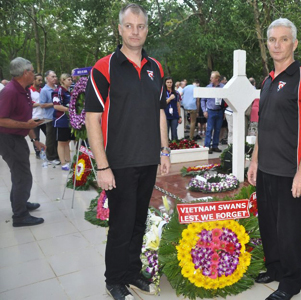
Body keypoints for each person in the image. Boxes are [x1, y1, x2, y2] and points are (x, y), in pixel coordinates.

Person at [84, 4, 170, 300]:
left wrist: (165, 150)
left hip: (148, 158)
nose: (136, 32)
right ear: (119, 29)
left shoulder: (156, 68)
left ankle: (133, 270)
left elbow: (161, 112)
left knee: (138, 220)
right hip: (117, 161)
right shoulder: (104, 67)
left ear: (147, 29)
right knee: (121, 223)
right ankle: (115, 279)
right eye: (129, 26)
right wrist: (103, 166)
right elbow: (92, 119)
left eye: (141, 26)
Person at [247, 18, 301, 300]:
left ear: (295, 43)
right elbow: (263, 126)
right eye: (272, 40)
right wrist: (254, 161)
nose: (277, 45)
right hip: (266, 169)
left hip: (292, 171)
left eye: (283, 39)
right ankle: (275, 268)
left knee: (290, 230)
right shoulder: (267, 81)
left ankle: (291, 282)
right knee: (269, 224)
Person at [0, 57, 46, 227]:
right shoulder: (10, 91)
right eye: (32, 70)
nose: (34, 74)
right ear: (25, 72)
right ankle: (20, 216)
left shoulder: (24, 90)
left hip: (18, 137)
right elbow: (1, 119)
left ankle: (20, 202)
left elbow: (26, 119)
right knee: (22, 176)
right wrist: (25, 125)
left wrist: (35, 140)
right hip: (7, 138)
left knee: (20, 174)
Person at [52, 73, 74, 170]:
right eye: (68, 79)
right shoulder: (58, 91)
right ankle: (63, 163)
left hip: (70, 120)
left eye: (71, 79)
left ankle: (68, 160)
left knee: (67, 141)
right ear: (63, 81)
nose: (70, 81)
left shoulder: (71, 91)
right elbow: (56, 105)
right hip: (61, 119)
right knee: (61, 142)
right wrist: (69, 110)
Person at [201, 71, 224, 154]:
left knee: (217, 129)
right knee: (209, 129)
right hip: (210, 111)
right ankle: (207, 146)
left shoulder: (223, 87)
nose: (211, 79)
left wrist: (224, 111)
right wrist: (204, 110)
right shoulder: (208, 87)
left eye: (212, 77)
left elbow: (226, 100)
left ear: (217, 79)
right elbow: (203, 100)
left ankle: (215, 146)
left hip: (220, 110)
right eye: (211, 77)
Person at [40, 70, 60, 164]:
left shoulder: (57, 88)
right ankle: (51, 157)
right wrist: (54, 103)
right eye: (52, 76)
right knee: (51, 138)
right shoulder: (44, 90)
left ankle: (58, 155)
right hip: (49, 117)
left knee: (57, 137)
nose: (55, 78)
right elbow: (42, 105)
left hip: (58, 117)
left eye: (55, 76)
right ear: (47, 78)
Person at [29, 73, 47, 158]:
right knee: (36, 137)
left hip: (44, 117)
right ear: (33, 80)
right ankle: (38, 154)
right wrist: (40, 104)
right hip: (34, 117)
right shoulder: (29, 91)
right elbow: (29, 104)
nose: (40, 82)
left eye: (41, 80)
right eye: (38, 80)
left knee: (49, 135)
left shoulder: (42, 90)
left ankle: (48, 150)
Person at [164, 76, 182, 140]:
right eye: (168, 82)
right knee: (165, 132)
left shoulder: (176, 93)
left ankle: (174, 145)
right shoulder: (163, 93)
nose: (169, 84)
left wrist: (179, 116)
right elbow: (162, 104)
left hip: (174, 115)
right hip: (165, 115)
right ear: (165, 83)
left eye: (170, 82)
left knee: (174, 132)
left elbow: (178, 105)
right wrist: (170, 98)